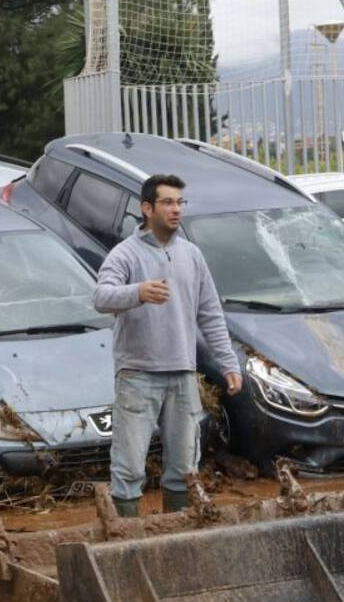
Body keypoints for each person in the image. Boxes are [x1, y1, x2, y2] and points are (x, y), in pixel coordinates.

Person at [93, 174, 243, 516]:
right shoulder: (125, 254)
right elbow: (101, 297)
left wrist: (229, 363)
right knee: (129, 468)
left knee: (184, 469)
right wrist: (137, 292)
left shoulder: (191, 255)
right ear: (147, 209)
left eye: (180, 202)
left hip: (183, 375)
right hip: (138, 375)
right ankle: (126, 536)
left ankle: (178, 532)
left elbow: (210, 314)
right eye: (168, 202)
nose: (176, 210)